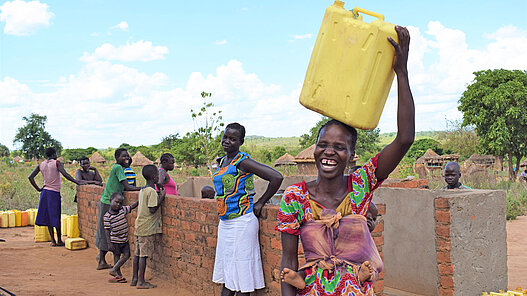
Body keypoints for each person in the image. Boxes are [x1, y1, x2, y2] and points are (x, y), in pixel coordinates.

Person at [277, 25, 414, 296]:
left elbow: (405, 139)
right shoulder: (295, 198)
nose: (329, 152)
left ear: (351, 155)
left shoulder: (361, 185)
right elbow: (289, 262)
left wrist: (401, 71)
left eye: (339, 147)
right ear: (314, 149)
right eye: (323, 145)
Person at [212, 122, 283, 296]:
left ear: (241, 141)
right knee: (229, 268)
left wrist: (260, 202)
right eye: (225, 137)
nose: (227, 141)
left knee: (242, 271)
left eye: (233, 139)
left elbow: (276, 177)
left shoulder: (243, 162)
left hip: (242, 221)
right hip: (226, 222)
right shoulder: (222, 161)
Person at [28, 147, 85, 246]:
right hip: (53, 193)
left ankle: (53, 241)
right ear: (54, 154)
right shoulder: (56, 163)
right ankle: (59, 240)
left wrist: (38, 188)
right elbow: (65, 174)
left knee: (48, 217)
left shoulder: (41, 164)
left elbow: (30, 177)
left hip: (44, 193)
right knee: (55, 216)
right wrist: (77, 181)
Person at [96, 148, 142, 270]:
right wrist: (144, 188)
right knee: (107, 231)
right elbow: (127, 186)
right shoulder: (118, 168)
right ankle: (101, 260)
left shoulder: (119, 168)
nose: (126, 158)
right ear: (117, 158)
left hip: (109, 202)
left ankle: (102, 260)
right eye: (123, 156)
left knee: (108, 230)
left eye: (127, 156)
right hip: (108, 202)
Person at [131, 164, 166, 289]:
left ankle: (134, 278)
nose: (158, 176)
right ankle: (141, 282)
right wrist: (161, 197)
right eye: (157, 174)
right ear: (153, 177)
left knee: (137, 253)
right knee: (143, 255)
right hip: (147, 228)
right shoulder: (151, 192)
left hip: (140, 226)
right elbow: (152, 209)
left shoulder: (143, 190)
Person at [104, 192, 138, 283]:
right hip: (115, 241)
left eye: (120, 203)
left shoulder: (122, 210)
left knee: (127, 255)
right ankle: (118, 276)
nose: (118, 205)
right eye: (116, 202)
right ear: (110, 201)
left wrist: (140, 200)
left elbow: (132, 206)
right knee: (116, 257)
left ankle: (114, 269)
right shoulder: (107, 217)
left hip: (124, 239)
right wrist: (109, 243)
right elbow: (107, 231)